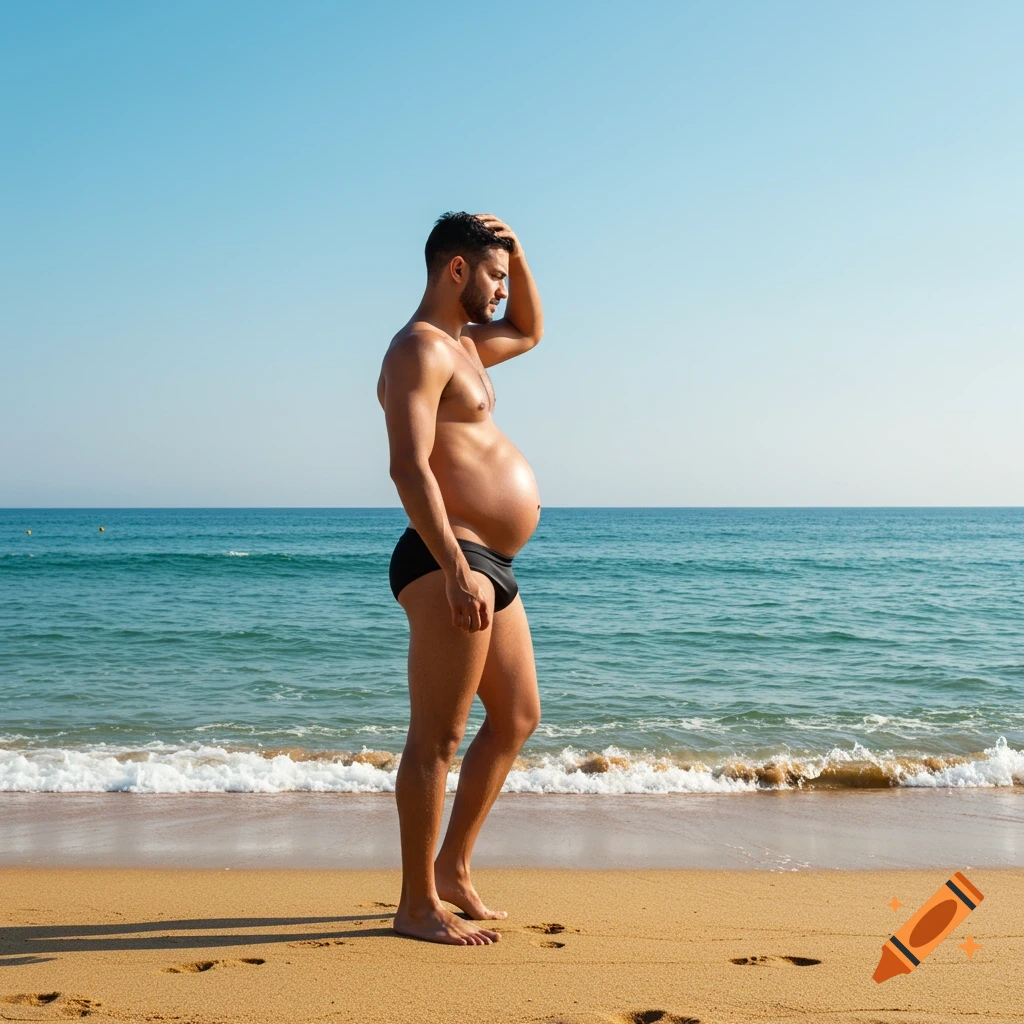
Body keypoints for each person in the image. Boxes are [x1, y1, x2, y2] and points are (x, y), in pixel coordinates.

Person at [376, 212, 544, 945]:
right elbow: (409, 466)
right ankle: (415, 905)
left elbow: (532, 331)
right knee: (437, 737)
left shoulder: (467, 348)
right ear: (455, 270)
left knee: (516, 719)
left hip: (489, 563)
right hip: (452, 557)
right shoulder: (418, 349)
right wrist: (452, 567)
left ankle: (453, 870)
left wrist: (518, 248)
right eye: (493, 276)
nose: (502, 292)